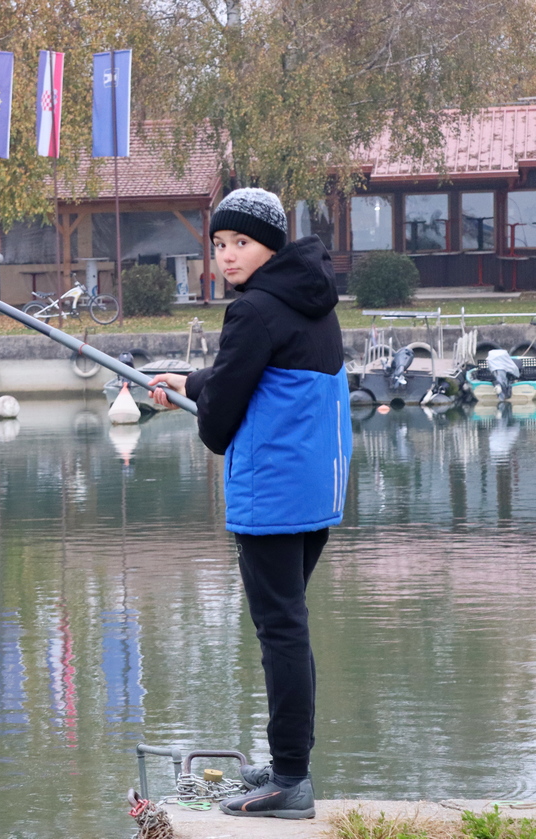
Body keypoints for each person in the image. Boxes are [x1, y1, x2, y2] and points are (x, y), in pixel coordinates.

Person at [148, 187, 352, 820]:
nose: (227, 255)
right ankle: (289, 763)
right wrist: (192, 380)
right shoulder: (311, 299)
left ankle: (290, 780)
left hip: (271, 495)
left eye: (241, 242)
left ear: (270, 246)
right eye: (218, 244)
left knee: (281, 633)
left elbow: (218, 425)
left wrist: (196, 400)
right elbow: (264, 372)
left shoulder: (252, 311)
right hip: (316, 490)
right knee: (289, 625)